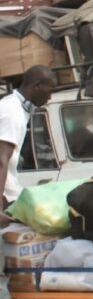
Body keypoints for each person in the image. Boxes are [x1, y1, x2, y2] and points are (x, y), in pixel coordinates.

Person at [0, 65, 55, 215]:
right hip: (6, 201)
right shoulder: (12, 111)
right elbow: (1, 160)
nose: (50, 97)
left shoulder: (15, 107)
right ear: (37, 86)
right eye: (50, 91)